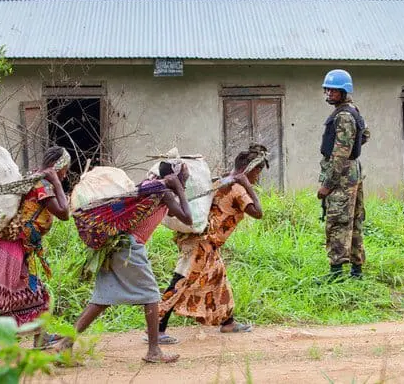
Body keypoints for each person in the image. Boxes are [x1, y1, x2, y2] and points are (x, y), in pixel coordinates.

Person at [63, 160, 193, 363]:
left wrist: (176, 188)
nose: (187, 179)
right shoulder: (164, 193)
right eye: (184, 176)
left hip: (117, 244)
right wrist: (179, 189)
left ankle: (64, 345)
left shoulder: (149, 186)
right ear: (175, 177)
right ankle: (154, 351)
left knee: (101, 299)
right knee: (151, 295)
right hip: (130, 247)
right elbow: (188, 219)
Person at [156, 144, 268, 344]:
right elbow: (258, 213)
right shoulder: (238, 188)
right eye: (258, 171)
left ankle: (228, 322)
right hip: (201, 243)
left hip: (206, 242)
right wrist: (248, 186)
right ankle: (156, 328)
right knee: (181, 281)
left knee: (218, 277)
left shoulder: (222, 180)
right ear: (249, 170)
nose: (258, 177)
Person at [0, 146, 71, 351]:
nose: (65, 174)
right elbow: (64, 213)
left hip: (13, 246)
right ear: (57, 167)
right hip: (8, 247)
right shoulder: (42, 184)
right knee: (3, 295)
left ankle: (40, 337)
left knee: (35, 293)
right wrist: (57, 184)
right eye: (65, 169)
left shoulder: (34, 177)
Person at [317, 69, 370, 281]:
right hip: (352, 172)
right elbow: (365, 134)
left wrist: (327, 184)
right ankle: (356, 272)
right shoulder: (352, 111)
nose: (329, 93)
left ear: (344, 91)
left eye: (333, 90)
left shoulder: (344, 116)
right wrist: (351, 149)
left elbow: (339, 154)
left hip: (342, 175)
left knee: (338, 221)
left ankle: (336, 274)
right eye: (327, 89)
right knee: (355, 221)